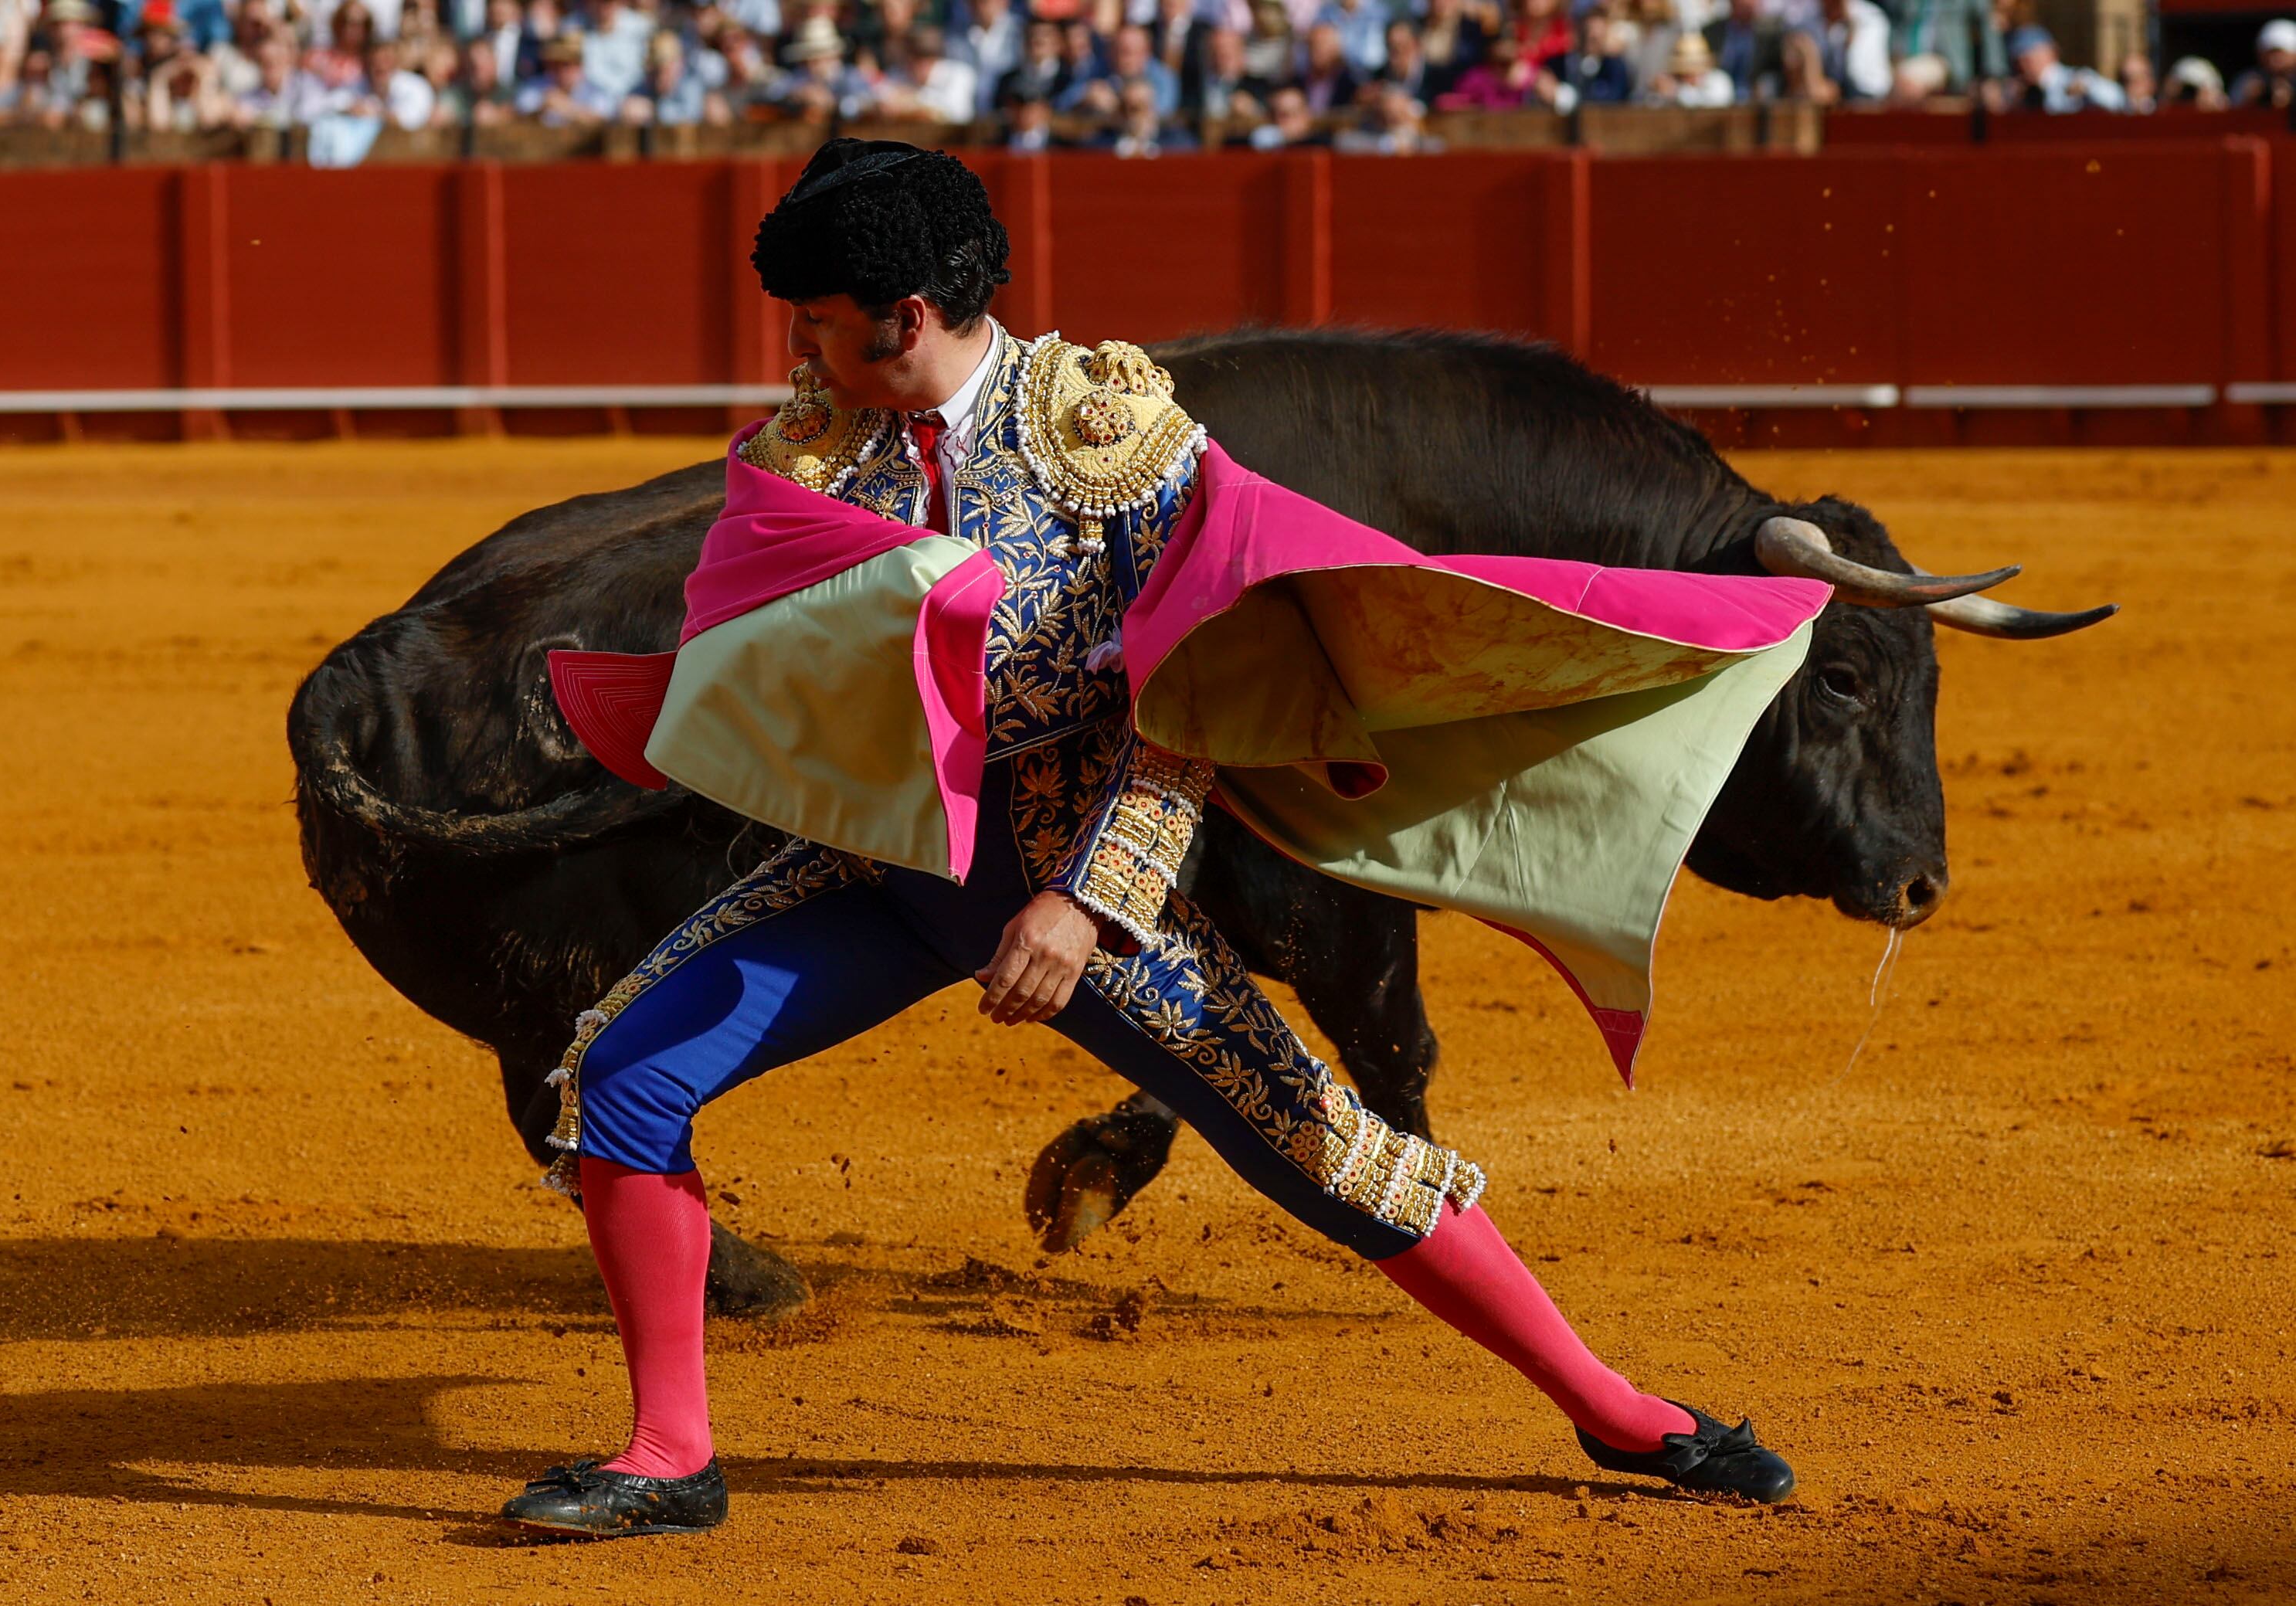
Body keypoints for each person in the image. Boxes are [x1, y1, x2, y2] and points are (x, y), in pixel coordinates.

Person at [498, 136, 1801, 1541]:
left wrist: (1085, 902)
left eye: (817, 323)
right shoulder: (817, 446)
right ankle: (667, 1452)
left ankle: (1614, 1407)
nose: (801, 356)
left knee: (1323, 1144)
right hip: (882, 866)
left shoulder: (1108, 431)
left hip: (1070, 861)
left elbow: (1197, 692)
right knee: (622, 1071)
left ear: (908, 317)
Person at [2005, 23, 2124, 111]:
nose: (2024, 66)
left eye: (2029, 59)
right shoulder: (2017, 90)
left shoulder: (2076, 78)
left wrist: (2088, 88)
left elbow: (2117, 98)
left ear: (2051, 53)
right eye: (2019, 61)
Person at [2233, 17, 2295, 107]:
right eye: (2269, 53)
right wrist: (2248, 100)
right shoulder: (2247, 80)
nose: (2274, 59)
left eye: (2280, 53)